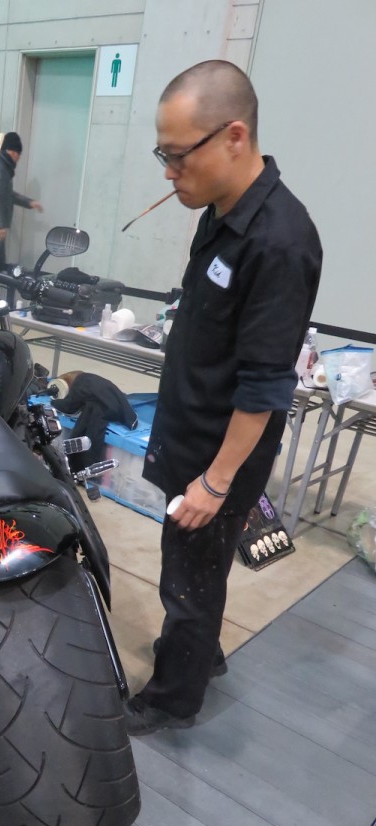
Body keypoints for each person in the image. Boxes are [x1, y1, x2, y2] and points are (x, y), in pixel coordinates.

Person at [123, 61, 322, 735]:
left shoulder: (280, 242)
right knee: (192, 568)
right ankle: (198, 652)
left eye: (178, 155)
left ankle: (173, 698)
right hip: (191, 430)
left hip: (219, 453)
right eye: (164, 155)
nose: (170, 173)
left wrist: (215, 481)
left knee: (189, 580)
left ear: (234, 136)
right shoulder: (222, 212)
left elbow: (265, 385)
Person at [0, 131, 43, 266]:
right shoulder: (0, 167)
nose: (18, 159)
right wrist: (1, 226)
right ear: (13, 152)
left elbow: (7, 194)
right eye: (19, 154)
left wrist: (29, 203)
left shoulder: (3, 166)